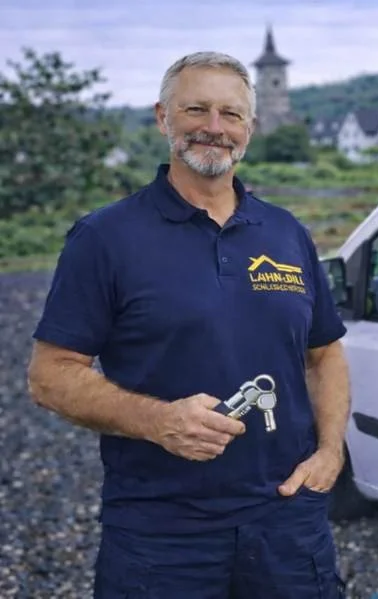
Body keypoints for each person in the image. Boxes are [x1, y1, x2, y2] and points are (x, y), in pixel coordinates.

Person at [26, 51, 350, 598]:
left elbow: (325, 354)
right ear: (163, 118)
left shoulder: (285, 232)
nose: (214, 128)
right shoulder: (106, 237)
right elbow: (50, 375)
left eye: (230, 114)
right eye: (196, 109)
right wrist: (156, 420)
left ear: (250, 128)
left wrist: (330, 452)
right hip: (161, 531)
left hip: (288, 520)